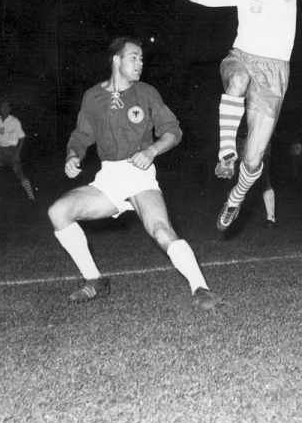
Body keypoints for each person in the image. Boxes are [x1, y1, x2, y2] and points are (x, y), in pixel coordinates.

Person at [48, 37, 219, 308]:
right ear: (116, 60)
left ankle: (200, 288)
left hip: (139, 175)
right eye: (134, 57)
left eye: (141, 58)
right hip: (108, 178)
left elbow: (173, 130)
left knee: (161, 231)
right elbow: (82, 134)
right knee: (58, 212)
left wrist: (152, 151)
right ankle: (94, 280)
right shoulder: (92, 96)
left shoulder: (147, 93)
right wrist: (72, 154)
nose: (140, 63)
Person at [173, 0, 296, 232]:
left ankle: (235, 198)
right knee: (237, 80)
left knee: (253, 161)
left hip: (274, 72)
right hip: (241, 56)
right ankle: (226, 152)